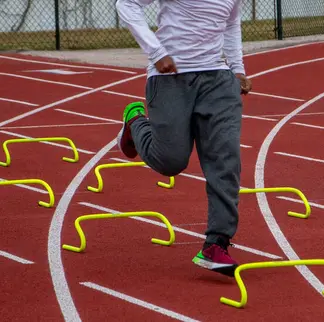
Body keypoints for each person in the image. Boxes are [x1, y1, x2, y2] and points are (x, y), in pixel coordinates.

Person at [115, 0, 252, 277]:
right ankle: (135, 121)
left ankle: (217, 244)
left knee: (226, 161)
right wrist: (156, 52)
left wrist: (238, 68)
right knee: (170, 161)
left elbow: (230, 22)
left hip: (218, 78)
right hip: (170, 76)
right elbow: (126, 4)